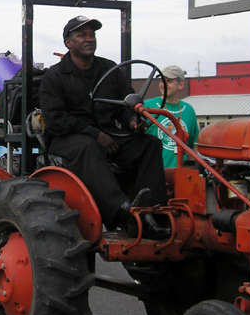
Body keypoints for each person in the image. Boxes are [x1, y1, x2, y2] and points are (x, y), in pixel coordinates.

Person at [39, 16, 170, 240]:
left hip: (108, 135)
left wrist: (132, 121)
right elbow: (56, 120)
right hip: (67, 139)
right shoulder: (55, 76)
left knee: (149, 144)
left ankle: (151, 214)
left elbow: (125, 103)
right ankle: (123, 212)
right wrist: (94, 134)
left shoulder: (109, 69)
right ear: (68, 43)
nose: (89, 39)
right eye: (82, 35)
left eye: (92, 35)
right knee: (89, 147)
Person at [143, 65, 199, 168]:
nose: (163, 84)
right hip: (153, 172)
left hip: (180, 175)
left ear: (180, 85)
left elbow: (192, 147)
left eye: (169, 81)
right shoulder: (147, 106)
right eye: (162, 81)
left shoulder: (189, 110)